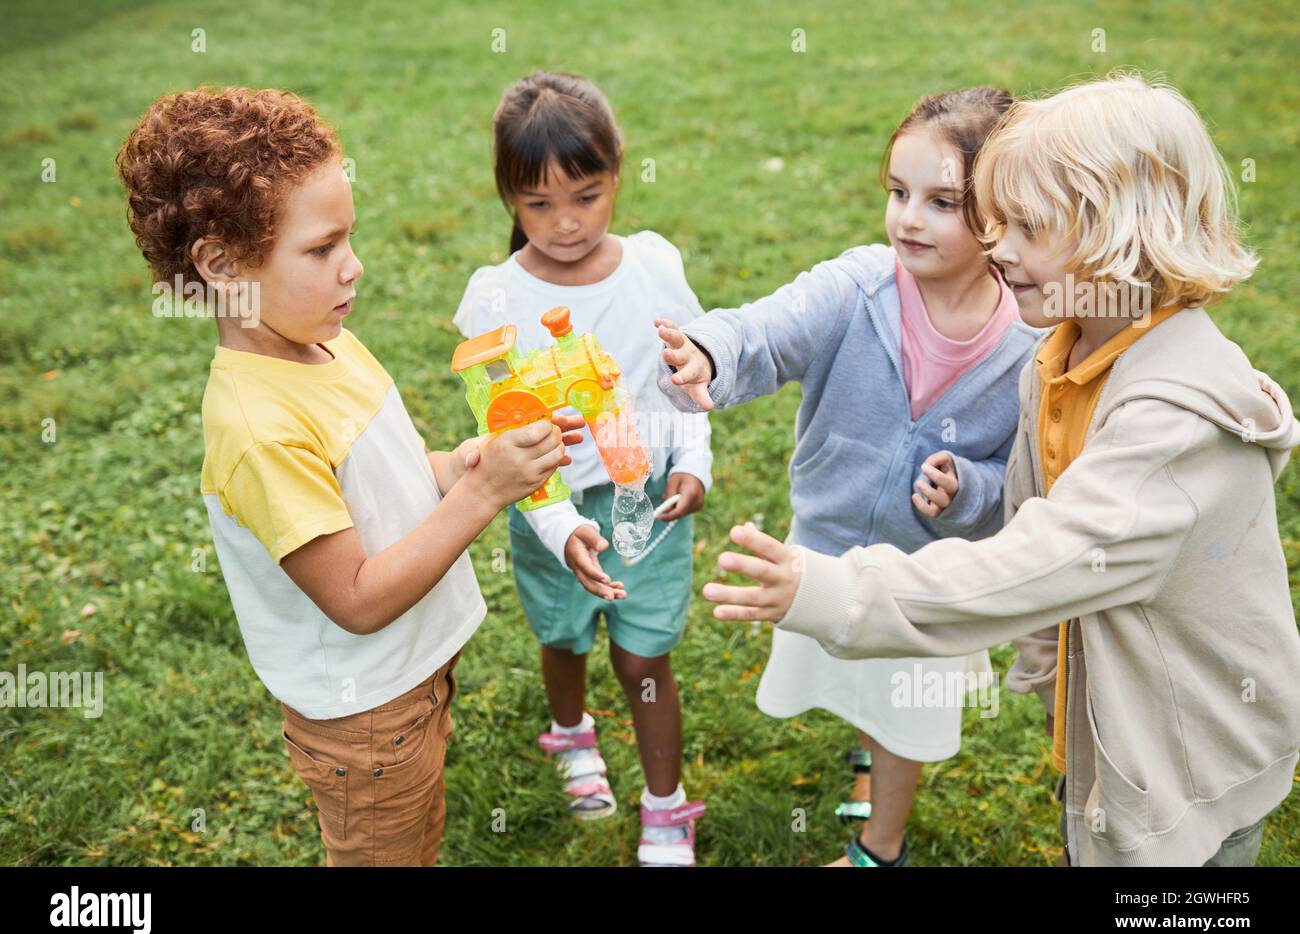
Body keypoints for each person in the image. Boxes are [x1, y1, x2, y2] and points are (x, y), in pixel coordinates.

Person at [696, 74, 1300, 867]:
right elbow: (1021, 513)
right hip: (1112, 726)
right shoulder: (1059, 356)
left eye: (1026, 226)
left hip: (1186, 758)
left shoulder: (1169, 425)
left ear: (1121, 235)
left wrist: (832, 589)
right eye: (994, 220)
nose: (998, 247)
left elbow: (1035, 561)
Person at [116, 85, 580, 866]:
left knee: (415, 839)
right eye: (322, 248)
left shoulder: (323, 341)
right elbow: (357, 598)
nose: (353, 266)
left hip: (411, 679)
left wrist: (457, 466)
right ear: (222, 265)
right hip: (366, 714)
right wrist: (484, 492)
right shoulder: (259, 429)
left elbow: (383, 479)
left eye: (349, 238)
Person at [656, 88, 1040, 866]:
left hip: (924, 579)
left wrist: (968, 488)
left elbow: (1022, 482)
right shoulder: (862, 284)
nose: (907, 219)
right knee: (857, 674)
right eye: (897, 193)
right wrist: (710, 351)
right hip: (829, 548)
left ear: (1001, 212)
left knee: (902, 710)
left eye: (940, 202)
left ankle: (879, 849)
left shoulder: (1028, 343)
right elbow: (770, 325)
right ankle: (868, 754)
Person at [454, 70, 712, 865]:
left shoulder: (655, 266)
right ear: (506, 195)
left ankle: (665, 808)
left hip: (646, 507)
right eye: (538, 205)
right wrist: (562, 528)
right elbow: (508, 442)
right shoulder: (495, 300)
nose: (565, 224)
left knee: (643, 653)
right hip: (549, 509)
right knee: (563, 635)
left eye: (587, 196)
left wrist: (692, 464)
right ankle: (570, 733)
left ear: (618, 174)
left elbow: (688, 375)